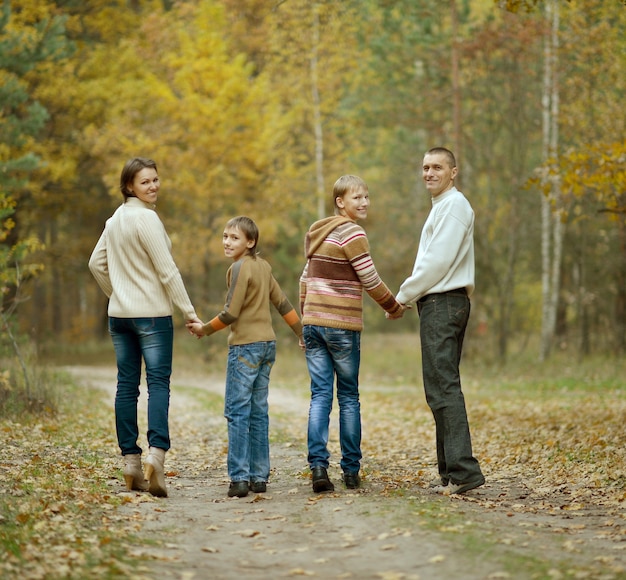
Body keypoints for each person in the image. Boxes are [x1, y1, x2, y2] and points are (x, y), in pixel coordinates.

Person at [89, 157, 201, 498]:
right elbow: (167, 272)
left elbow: (95, 264)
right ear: (129, 187)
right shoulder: (146, 219)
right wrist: (189, 312)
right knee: (157, 384)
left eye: (155, 179)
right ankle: (156, 456)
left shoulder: (114, 220)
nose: (153, 186)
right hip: (152, 315)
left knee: (126, 387)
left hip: (120, 316)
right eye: (145, 182)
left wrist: (118, 295)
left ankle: (131, 464)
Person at [300, 175, 405, 493]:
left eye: (366, 197)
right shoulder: (353, 233)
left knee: (319, 396)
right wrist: (394, 306)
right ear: (340, 203)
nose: (364, 203)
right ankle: (350, 470)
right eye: (356, 198)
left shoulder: (318, 234)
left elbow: (305, 278)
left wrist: (306, 319)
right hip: (341, 327)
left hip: (314, 324)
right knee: (347, 397)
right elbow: (370, 278)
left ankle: (318, 467)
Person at [187, 216, 304, 498]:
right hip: (267, 346)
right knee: (258, 411)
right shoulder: (263, 267)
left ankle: (239, 477)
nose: (227, 242)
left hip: (245, 347)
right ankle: (258, 476)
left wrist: (205, 329)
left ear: (250, 242)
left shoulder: (239, 268)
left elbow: (231, 312)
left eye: (234, 238)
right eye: (225, 236)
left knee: (238, 412)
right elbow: (282, 303)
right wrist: (301, 332)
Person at [390, 147, 485, 495]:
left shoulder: (455, 206)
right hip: (440, 303)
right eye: (426, 167)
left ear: (453, 172)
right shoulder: (442, 208)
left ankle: (464, 472)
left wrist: (402, 296)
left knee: (443, 387)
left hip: (444, 302)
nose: (429, 173)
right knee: (438, 387)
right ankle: (450, 471)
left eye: (437, 167)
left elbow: (437, 263)